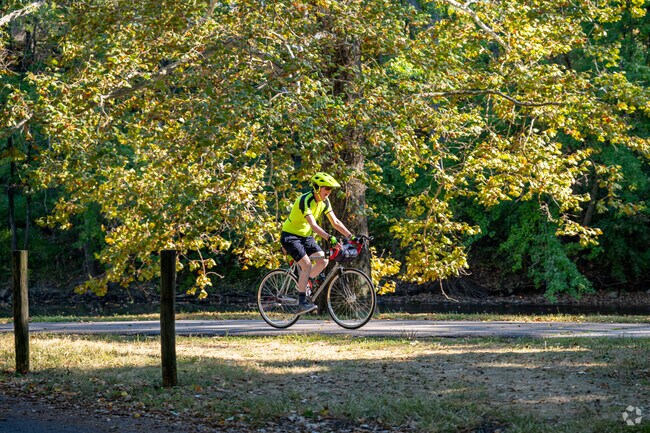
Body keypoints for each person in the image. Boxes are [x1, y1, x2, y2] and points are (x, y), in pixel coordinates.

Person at [280, 172, 353, 315]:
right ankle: (301, 303)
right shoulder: (305, 200)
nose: (329, 192)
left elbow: (336, 222)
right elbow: (313, 225)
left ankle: (304, 282)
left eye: (330, 189)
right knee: (306, 265)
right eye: (326, 188)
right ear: (317, 187)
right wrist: (329, 237)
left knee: (323, 260)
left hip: (306, 236)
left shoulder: (325, 202)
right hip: (291, 236)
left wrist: (351, 236)